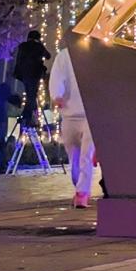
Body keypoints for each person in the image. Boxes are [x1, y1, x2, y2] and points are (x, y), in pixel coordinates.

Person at [45, 43, 96, 207]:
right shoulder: (65, 56)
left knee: (86, 156)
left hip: (91, 114)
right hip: (69, 114)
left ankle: (82, 192)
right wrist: (57, 95)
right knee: (73, 155)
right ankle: (79, 186)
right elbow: (57, 76)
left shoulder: (96, 55)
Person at [11, 30, 51, 128]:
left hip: (24, 75)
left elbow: (18, 60)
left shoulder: (22, 46)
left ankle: (27, 117)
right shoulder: (38, 47)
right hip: (34, 74)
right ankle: (29, 118)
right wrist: (41, 44)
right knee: (32, 95)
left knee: (30, 95)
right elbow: (48, 56)